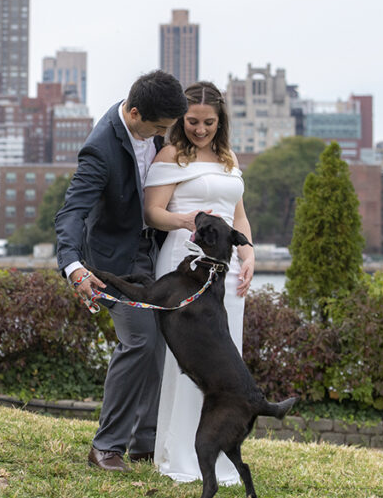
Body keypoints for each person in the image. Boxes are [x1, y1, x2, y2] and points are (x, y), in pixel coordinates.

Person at [55, 70, 190, 473]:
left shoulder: (158, 133)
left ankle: (144, 443)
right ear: (134, 113)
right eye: (160, 128)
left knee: (163, 343)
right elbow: (72, 213)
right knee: (139, 342)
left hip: (157, 255)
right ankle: (105, 447)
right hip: (116, 263)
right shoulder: (100, 149)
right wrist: (73, 266)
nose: (165, 134)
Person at [142, 80, 255, 486]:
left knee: (225, 359)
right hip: (185, 261)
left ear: (220, 120)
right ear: (180, 119)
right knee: (188, 359)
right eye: (192, 121)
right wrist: (186, 220)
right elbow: (153, 212)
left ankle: (220, 457)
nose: (201, 129)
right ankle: (179, 455)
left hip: (225, 271)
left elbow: (236, 213)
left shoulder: (228, 156)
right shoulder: (171, 154)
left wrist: (249, 253)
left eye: (209, 122)